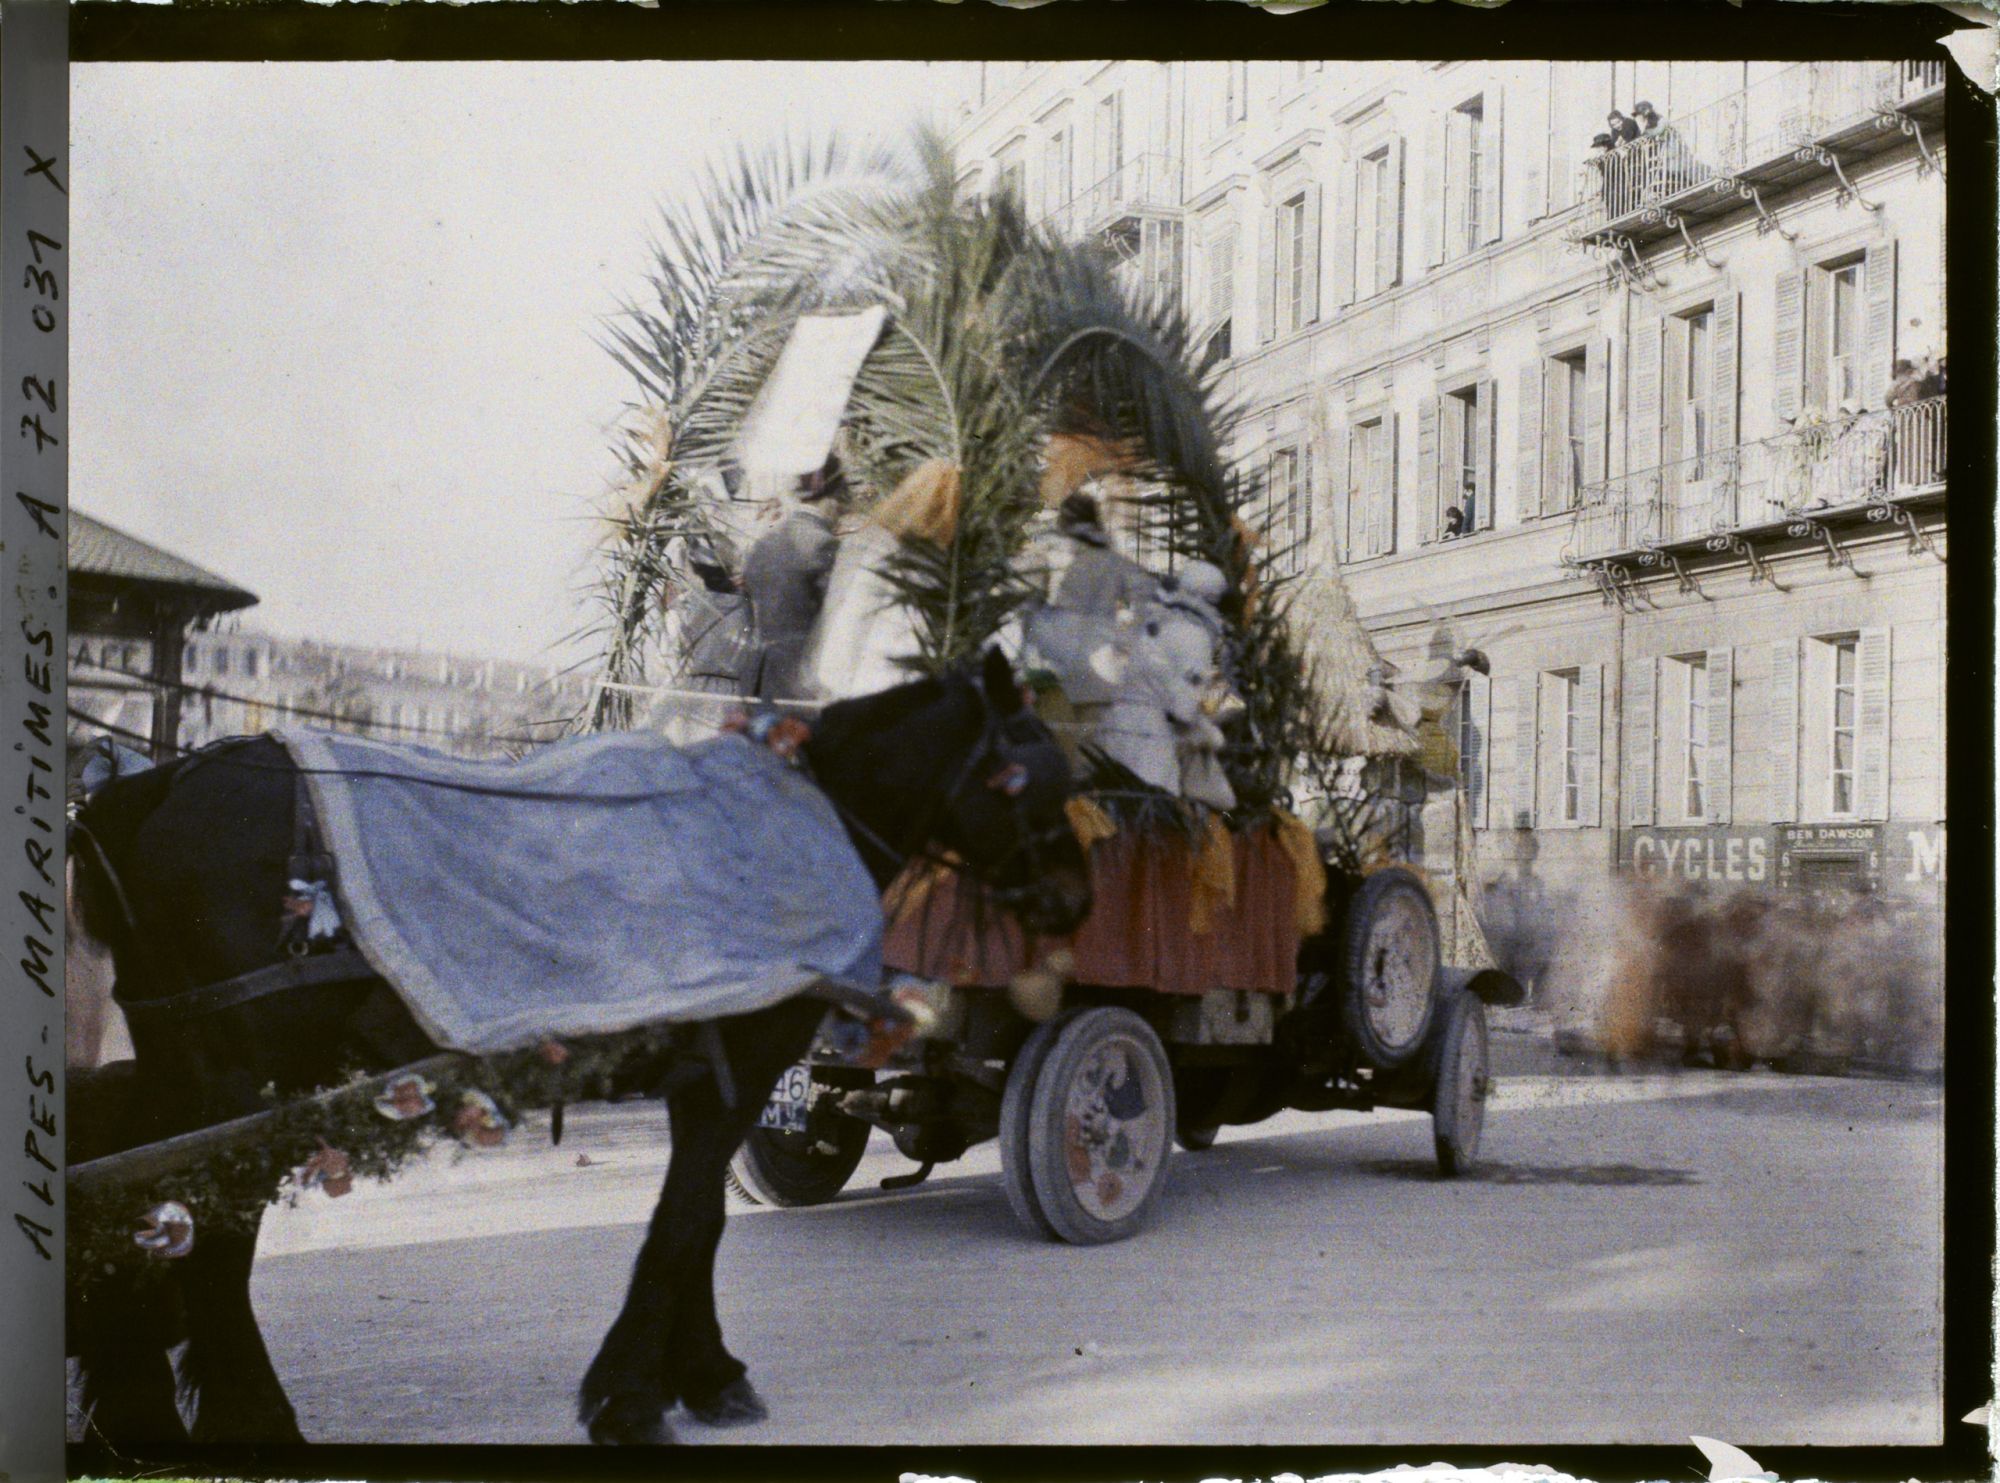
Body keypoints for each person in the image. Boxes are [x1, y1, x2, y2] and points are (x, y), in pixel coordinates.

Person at [803, 458, 960, 700]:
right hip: (894, 680)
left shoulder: (875, 542)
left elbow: (849, 614)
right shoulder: (936, 560)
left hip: (865, 678)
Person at [738, 454, 844, 701]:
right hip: (800, 678)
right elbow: (831, 621)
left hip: (758, 674)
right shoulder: (823, 544)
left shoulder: (764, 542)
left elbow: (748, 607)